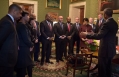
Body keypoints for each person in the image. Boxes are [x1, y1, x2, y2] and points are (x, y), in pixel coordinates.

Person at [80, 8, 118, 77]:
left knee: (102, 68)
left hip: (105, 49)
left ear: (105, 15)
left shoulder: (106, 23)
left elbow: (99, 36)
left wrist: (86, 35)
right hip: (111, 49)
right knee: (108, 68)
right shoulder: (115, 23)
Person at [0, 4, 22, 77]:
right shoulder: (7, 22)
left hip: (8, 59)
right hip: (6, 59)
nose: (20, 15)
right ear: (14, 11)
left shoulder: (10, 21)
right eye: (20, 13)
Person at [15, 11, 34, 77]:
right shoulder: (21, 26)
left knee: (29, 64)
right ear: (24, 16)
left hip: (24, 47)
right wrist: (31, 45)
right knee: (23, 66)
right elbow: (26, 38)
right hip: (23, 48)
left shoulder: (24, 25)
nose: (29, 17)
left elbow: (29, 35)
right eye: (28, 16)